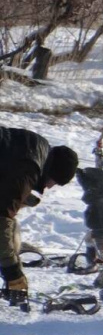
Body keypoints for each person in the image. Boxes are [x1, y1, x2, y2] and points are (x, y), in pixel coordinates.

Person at [1, 127, 78, 301]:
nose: (49, 187)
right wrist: (13, 273)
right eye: (54, 182)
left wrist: (21, 198)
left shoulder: (34, 147)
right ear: (53, 171)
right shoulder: (27, 168)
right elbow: (2, 221)